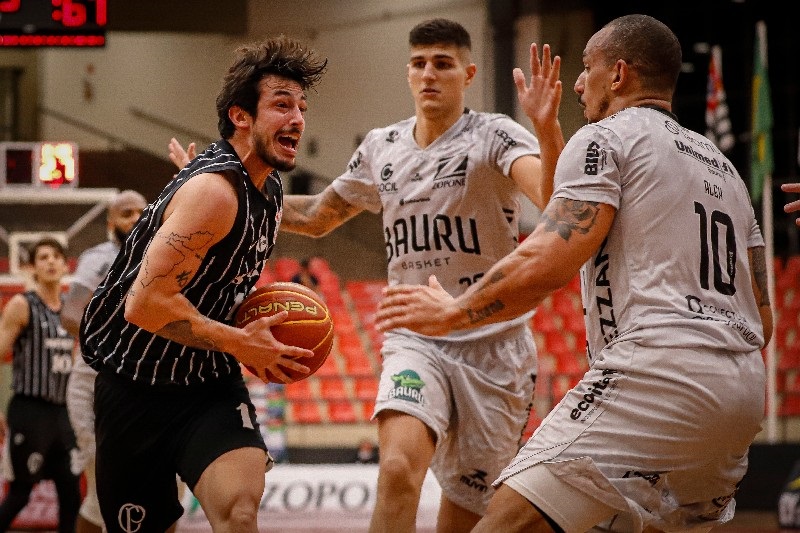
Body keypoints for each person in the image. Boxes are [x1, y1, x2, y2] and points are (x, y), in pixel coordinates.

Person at [375, 14, 774, 533]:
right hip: (742, 392)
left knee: (505, 520)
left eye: (588, 68)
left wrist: (454, 312)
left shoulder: (606, 137)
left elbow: (548, 259)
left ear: (620, 74)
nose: (579, 83)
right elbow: (762, 318)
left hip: (656, 374)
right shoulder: (725, 169)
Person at [172, 18, 563, 532]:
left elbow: (555, 201)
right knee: (398, 471)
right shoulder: (384, 145)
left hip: (494, 346)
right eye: (419, 63)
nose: (429, 74)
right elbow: (316, 217)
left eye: (443, 64)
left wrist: (547, 129)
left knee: (465, 520)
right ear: (407, 72)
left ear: (468, 73)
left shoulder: (494, 135)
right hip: (415, 335)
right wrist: (227, 185)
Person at [79, 36, 327, 533]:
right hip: (133, 386)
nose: (298, 117)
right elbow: (143, 305)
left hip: (206, 383)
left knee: (239, 510)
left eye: (301, 106)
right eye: (281, 104)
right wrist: (240, 341)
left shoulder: (265, 186)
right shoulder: (214, 192)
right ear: (241, 117)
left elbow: (316, 218)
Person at [61, 190, 147, 533]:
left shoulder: (165, 255)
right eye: (126, 213)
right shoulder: (99, 257)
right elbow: (69, 314)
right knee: (101, 487)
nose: (136, 217)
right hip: (95, 376)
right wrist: (114, 333)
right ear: (111, 222)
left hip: (142, 381)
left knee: (155, 491)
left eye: (142, 211)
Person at [0, 237, 81, 533]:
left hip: (64, 414)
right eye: (43, 257)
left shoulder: (71, 312)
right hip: (30, 410)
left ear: (64, 264)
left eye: (56, 256)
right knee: (20, 494)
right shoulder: (23, 305)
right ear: (32, 267)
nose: (50, 261)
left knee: (71, 495)